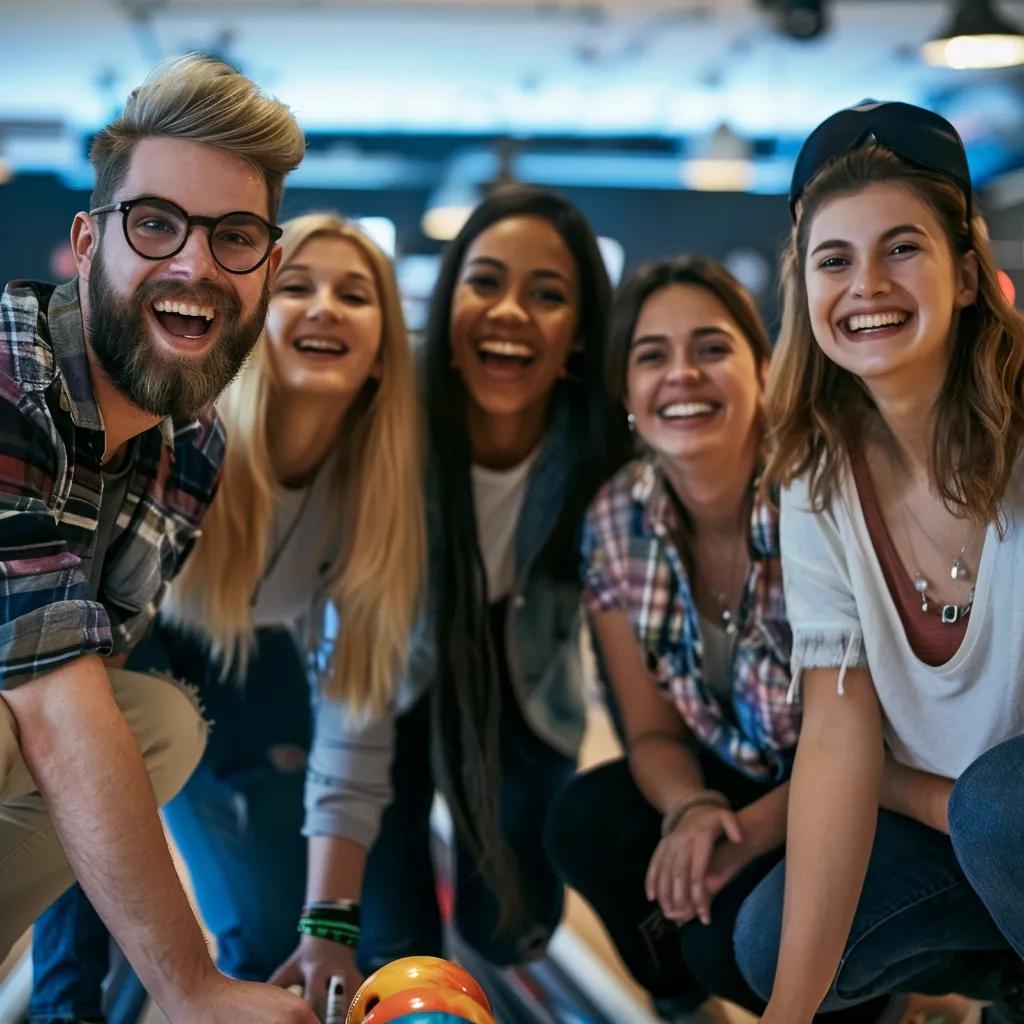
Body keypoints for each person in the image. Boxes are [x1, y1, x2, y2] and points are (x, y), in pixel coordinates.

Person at [27, 212, 425, 1024]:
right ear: (253, 320)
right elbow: (70, 735)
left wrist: (329, 922)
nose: (323, 308)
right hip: (120, 652)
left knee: (270, 934)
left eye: (355, 294)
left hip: (246, 662)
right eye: (299, 287)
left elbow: (356, 710)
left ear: (384, 349)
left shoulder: (381, 497)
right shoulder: (191, 441)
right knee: (88, 799)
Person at [0, 54, 318, 1024]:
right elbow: (51, 706)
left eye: (233, 237)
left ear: (267, 268)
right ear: (89, 240)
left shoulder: (193, 447)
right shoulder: (9, 370)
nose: (193, 266)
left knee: (159, 723)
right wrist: (191, 987)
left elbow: (87, 723)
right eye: (155, 225)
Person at [263, 185, 629, 1007]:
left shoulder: (599, 449)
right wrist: (331, 914)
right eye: (486, 281)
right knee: (397, 946)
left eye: (548, 295)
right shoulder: (392, 427)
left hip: (520, 691)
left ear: (577, 335)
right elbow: (355, 661)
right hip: (390, 677)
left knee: (511, 927)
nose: (511, 312)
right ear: (449, 302)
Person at [544, 256, 902, 1023]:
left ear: (763, 368)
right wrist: (694, 809)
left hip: (867, 784)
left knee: (735, 941)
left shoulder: (825, 489)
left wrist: (745, 834)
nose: (683, 374)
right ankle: (684, 1012)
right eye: (652, 356)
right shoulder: (617, 519)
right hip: (738, 772)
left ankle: (891, 1000)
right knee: (586, 821)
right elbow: (647, 730)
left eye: (711, 347)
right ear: (628, 396)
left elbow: (875, 737)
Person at [733, 101, 1024, 1024]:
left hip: (1003, 816)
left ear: (968, 277)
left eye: (902, 248)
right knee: (769, 943)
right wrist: (787, 1013)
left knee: (1000, 808)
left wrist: (955, 804)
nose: (867, 285)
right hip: (975, 829)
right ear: (805, 289)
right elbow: (836, 738)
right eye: (835, 258)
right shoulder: (817, 477)